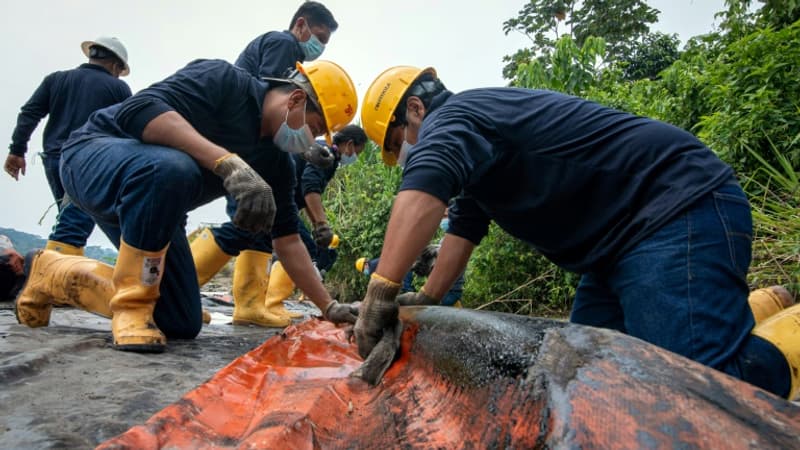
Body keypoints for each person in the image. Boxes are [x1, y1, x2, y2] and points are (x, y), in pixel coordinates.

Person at [352, 65, 800, 400]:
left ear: (415, 108)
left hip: (673, 210)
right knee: (591, 374)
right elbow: (463, 230)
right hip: (613, 253)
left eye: (397, 143)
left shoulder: (455, 117)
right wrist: (428, 298)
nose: (405, 153)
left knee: (698, 388)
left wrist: (381, 294)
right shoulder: (478, 154)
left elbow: (426, 187)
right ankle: (760, 307)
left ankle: (786, 343)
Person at [14, 57, 359, 353]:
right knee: (172, 168)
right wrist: (226, 162)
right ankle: (132, 306)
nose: (308, 141)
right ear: (296, 99)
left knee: (180, 320)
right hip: (92, 156)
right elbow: (139, 110)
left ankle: (51, 273)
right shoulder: (225, 82)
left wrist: (328, 306)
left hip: (152, 209)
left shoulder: (277, 164)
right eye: (313, 128)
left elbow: (287, 240)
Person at [190, 0, 345, 327]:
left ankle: (249, 305)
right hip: (247, 143)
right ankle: (182, 290)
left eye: (325, 43)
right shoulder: (283, 43)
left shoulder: (293, 55)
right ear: (300, 25)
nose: (319, 47)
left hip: (257, 147)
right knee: (244, 222)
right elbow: (272, 104)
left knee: (259, 224)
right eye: (317, 36)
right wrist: (305, 149)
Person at [193, 125, 367, 327]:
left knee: (260, 239)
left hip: (272, 195)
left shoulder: (321, 151)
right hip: (257, 189)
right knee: (240, 232)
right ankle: (181, 291)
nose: (355, 156)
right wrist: (321, 224)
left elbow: (305, 189)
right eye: (358, 151)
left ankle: (251, 307)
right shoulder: (325, 155)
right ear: (350, 145)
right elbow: (310, 187)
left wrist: (316, 223)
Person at [5, 37, 132, 255]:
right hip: (89, 163)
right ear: (115, 65)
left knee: (69, 215)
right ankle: (52, 274)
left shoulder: (56, 80)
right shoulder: (118, 88)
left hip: (55, 160)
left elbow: (30, 113)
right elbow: (129, 127)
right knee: (76, 221)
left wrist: (17, 151)